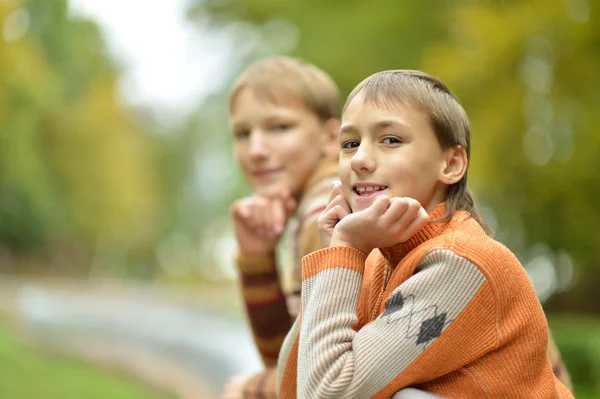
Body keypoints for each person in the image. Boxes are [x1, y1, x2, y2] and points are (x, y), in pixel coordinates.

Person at [277, 70, 574, 398]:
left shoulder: (463, 263)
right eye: (349, 144)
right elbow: (294, 389)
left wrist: (345, 248)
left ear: (451, 164)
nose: (359, 159)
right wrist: (333, 258)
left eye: (390, 140)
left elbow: (327, 393)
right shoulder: (374, 259)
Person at [223, 56, 340, 398]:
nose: (256, 150)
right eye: (243, 133)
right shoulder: (308, 205)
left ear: (331, 136)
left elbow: (323, 378)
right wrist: (256, 258)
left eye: (279, 127)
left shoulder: (326, 212)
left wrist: (250, 390)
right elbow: (287, 356)